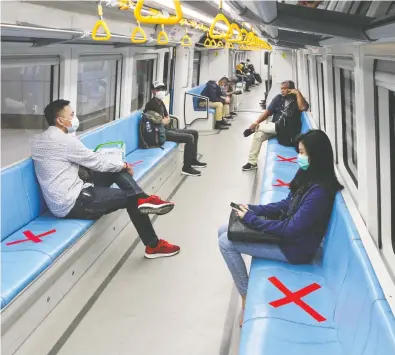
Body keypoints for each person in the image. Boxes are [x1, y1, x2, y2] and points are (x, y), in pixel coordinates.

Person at [218, 129, 343, 326]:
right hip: (288, 237)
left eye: (302, 153)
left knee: (226, 241)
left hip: (294, 249)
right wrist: (253, 209)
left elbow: (290, 229)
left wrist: (251, 219)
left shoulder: (319, 193)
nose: (298, 157)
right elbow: (286, 205)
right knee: (223, 229)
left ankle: (246, 296)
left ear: (315, 156)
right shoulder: (307, 175)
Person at [31, 99, 180, 259]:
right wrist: (123, 165)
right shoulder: (64, 141)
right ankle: (153, 245)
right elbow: (96, 161)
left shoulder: (40, 140)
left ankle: (144, 199)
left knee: (114, 169)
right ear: (60, 120)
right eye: (72, 115)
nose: (75, 118)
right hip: (72, 203)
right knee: (131, 197)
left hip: (71, 192)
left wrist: (119, 166)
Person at [242, 81, 309, 171]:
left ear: (291, 89)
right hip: (275, 128)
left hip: (288, 130)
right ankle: (252, 162)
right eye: (281, 88)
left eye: (285, 88)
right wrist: (256, 121)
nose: (282, 91)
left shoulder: (297, 100)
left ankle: (254, 128)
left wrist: (297, 93)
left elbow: (303, 108)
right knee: (258, 135)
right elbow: (267, 112)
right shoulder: (278, 98)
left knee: (261, 129)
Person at [144, 81, 207, 177]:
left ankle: (193, 160)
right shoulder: (151, 104)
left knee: (194, 133)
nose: (161, 91)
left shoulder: (160, 102)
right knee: (189, 138)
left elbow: (166, 118)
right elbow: (158, 121)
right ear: (153, 91)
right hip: (160, 133)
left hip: (167, 128)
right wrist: (164, 121)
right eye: (159, 89)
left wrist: (165, 120)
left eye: (163, 89)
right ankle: (186, 168)